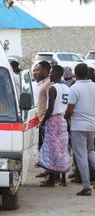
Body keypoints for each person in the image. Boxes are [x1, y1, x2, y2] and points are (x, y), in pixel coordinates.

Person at [37, 65, 70, 187]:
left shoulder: (53, 88)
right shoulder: (67, 88)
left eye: (51, 73)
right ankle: (63, 178)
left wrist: (43, 122)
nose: (50, 75)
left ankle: (51, 180)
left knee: (51, 150)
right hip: (62, 120)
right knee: (62, 149)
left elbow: (50, 108)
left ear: (56, 74)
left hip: (53, 121)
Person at [66, 63, 95, 196]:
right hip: (92, 125)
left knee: (81, 155)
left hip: (78, 126)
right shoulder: (94, 86)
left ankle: (86, 186)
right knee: (90, 150)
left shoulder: (74, 88)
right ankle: (87, 184)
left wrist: (67, 117)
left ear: (76, 74)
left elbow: (70, 110)